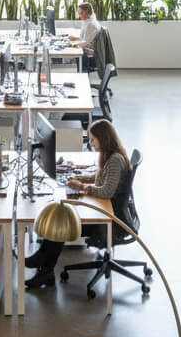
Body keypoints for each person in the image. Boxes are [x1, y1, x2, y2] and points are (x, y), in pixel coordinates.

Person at [25, 118, 135, 290]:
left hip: (112, 222)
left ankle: (45, 269)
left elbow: (106, 191)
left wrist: (82, 187)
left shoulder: (114, 161)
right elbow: (101, 178)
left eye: (93, 139)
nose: (90, 143)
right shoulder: (109, 155)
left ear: (103, 139)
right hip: (106, 210)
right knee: (60, 214)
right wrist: (82, 179)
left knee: (61, 221)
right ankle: (43, 262)